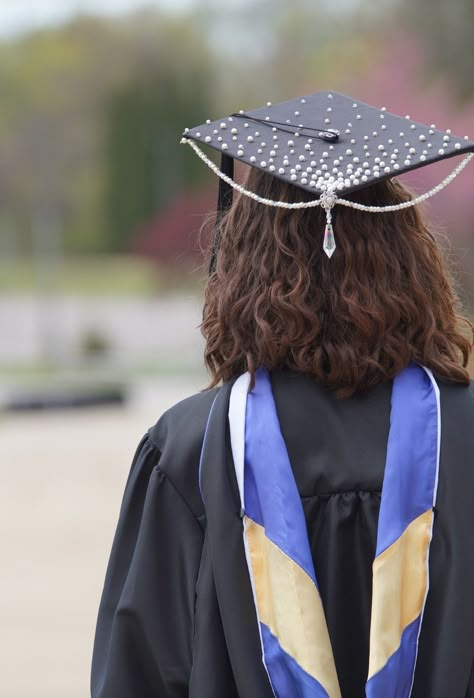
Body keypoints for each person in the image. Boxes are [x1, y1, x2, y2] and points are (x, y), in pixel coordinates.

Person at [91, 91, 474, 698]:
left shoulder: (191, 450)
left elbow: (138, 675)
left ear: (242, 263)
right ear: (408, 255)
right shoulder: (466, 437)